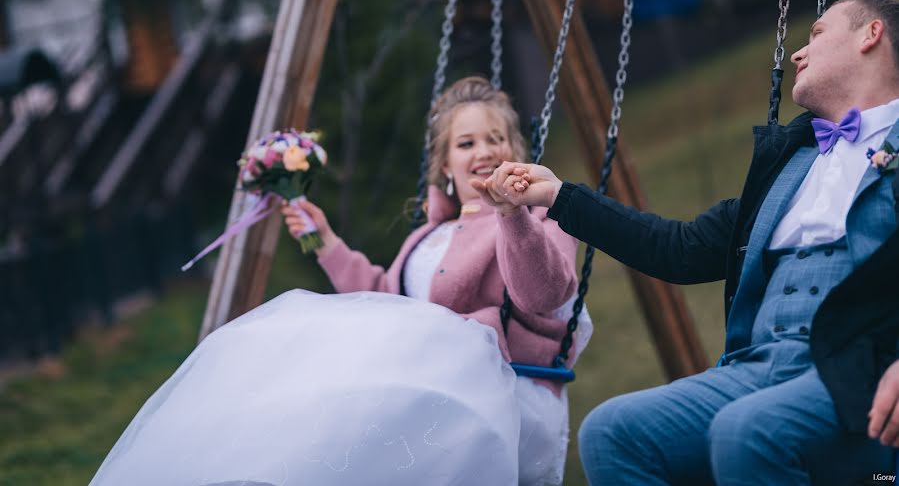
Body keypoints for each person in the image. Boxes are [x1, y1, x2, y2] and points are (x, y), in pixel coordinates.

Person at [474, 0, 899, 485]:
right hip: (758, 365)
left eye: (817, 35)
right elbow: (678, 248)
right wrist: (560, 196)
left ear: (871, 35)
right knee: (613, 431)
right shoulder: (790, 170)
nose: (796, 54)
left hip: (862, 372)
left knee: (745, 432)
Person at [90, 76, 589, 486]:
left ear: (514, 148)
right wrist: (325, 241)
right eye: (466, 142)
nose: (483, 150)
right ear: (444, 164)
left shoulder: (541, 218)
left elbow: (544, 294)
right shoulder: (428, 237)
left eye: (495, 139)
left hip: (499, 387)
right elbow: (385, 300)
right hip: (427, 379)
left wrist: (512, 214)